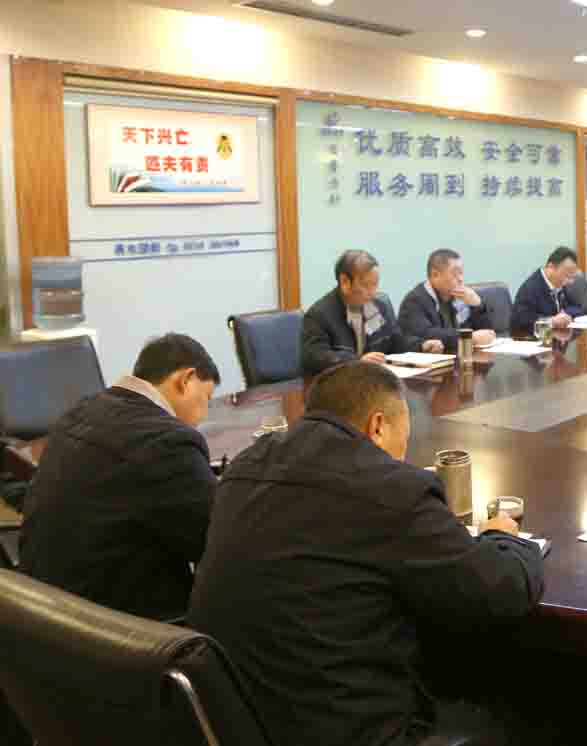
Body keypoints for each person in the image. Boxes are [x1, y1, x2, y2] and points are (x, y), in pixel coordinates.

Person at [189, 361, 545, 746]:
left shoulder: (243, 467)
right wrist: (502, 537)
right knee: (518, 716)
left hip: (232, 723)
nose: (400, 458)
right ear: (378, 426)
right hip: (347, 731)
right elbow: (500, 590)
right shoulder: (391, 489)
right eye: (403, 440)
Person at [19, 334, 219, 619]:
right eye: (207, 398)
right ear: (186, 379)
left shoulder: (81, 411)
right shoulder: (167, 441)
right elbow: (216, 542)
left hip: (41, 609)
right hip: (115, 626)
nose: (203, 414)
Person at [301, 250, 440, 375]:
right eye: (366, 285)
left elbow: (395, 340)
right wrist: (356, 361)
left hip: (372, 382)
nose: (373, 292)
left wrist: (421, 345)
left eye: (375, 284)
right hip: (337, 386)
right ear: (345, 282)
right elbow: (314, 357)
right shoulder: (319, 315)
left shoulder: (376, 306)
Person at [398, 249, 497, 352]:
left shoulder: (461, 297)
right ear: (435, 275)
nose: (460, 279)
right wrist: (468, 337)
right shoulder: (414, 301)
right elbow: (427, 334)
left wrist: (477, 305)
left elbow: (487, 333)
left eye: (461, 273)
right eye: (455, 274)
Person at [511, 246, 586, 330]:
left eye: (571, 277)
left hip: (557, 334)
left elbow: (577, 307)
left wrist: (565, 314)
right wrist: (551, 321)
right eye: (566, 275)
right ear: (551, 267)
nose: (570, 281)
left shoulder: (560, 284)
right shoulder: (530, 289)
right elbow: (521, 321)